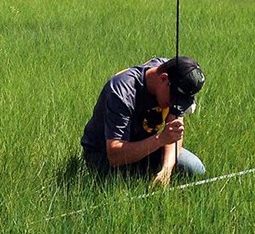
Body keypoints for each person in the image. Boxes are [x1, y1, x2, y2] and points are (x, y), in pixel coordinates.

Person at [80, 56, 207, 188]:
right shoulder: (122, 92)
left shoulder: (174, 76)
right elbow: (115, 155)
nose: (175, 105)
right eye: (174, 100)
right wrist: (160, 139)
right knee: (123, 187)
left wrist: (166, 169)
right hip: (104, 154)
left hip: (147, 145)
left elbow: (173, 132)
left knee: (195, 169)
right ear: (163, 79)